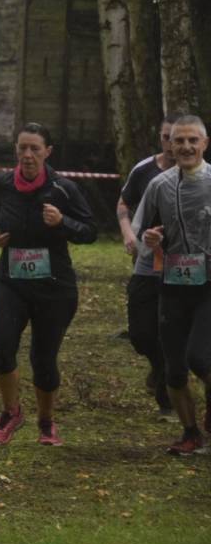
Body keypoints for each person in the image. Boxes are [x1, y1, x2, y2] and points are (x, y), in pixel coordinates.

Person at [0, 122, 97, 446]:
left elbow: (90, 231)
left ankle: (46, 422)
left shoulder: (63, 189)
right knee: (1, 348)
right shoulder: (2, 184)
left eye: (35, 148)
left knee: (43, 359)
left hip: (54, 287)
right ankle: (11, 412)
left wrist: (63, 222)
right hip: (11, 282)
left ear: (48, 152)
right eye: (23, 148)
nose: (28, 155)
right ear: (15, 150)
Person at [134, 114, 211, 455]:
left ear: (205, 144)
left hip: (209, 286)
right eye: (179, 140)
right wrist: (150, 238)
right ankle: (190, 433)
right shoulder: (159, 185)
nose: (186, 146)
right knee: (175, 369)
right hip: (173, 284)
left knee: (201, 358)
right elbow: (143, 229)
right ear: (170, 144)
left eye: (193, 140)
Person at [117, 120, 176, 416]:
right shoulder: (145, 171)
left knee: (174, 330)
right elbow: (123, 205)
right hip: (146, 260)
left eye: (178, 138)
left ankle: (168, 390)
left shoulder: (204, 176)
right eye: (167, 137)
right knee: (141, 334)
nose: (173, 144)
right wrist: (129, 234)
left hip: (185, 265)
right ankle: (158, 365)